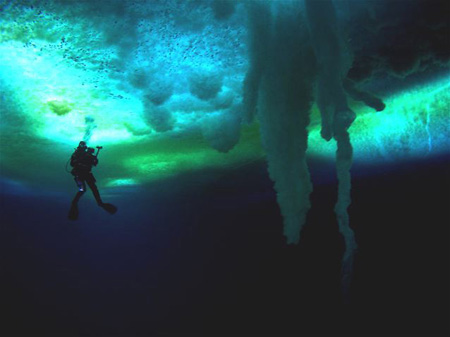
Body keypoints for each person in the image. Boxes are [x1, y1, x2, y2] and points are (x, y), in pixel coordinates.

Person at [68, 141, 117, 220]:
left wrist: (94, 159)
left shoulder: (86, 155)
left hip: (84, 174)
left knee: (87, 189)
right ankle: (97, 202)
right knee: (85, 189)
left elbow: (94, 163)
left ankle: (98, 202)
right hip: (80, 174)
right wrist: (82, 161)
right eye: (82, 145)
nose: (84, 147)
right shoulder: (77, 154)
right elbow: (72, 164)